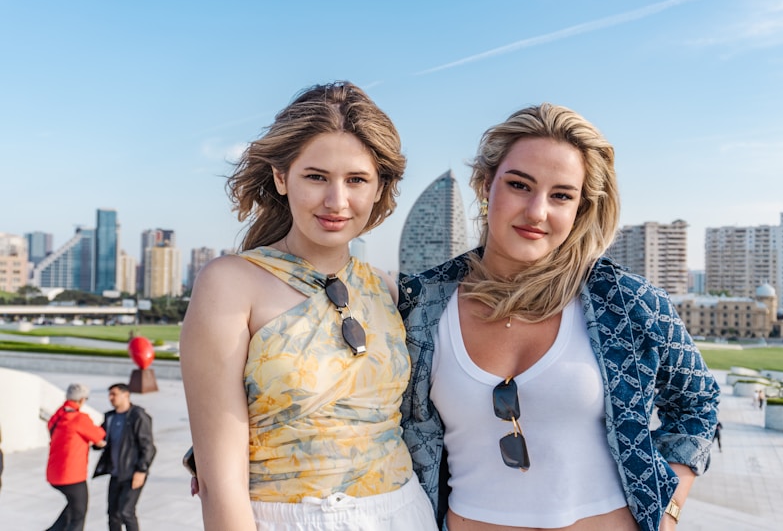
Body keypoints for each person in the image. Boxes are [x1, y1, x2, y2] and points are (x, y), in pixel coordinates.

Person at [398, 103, 721, 531]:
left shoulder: (627, 302)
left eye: (561, 195)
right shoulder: (420, 306)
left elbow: (697, 403)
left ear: (580, 208)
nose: (537, 212)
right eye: (519, 185)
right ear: (485, 183)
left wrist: (670, 505)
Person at [180, 81, 437, 530]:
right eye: (316, 177)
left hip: (404, 513)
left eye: (356, 180)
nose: (336, 201)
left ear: (380, 188)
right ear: (282, 178)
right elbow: (222, 486)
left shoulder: (390, 291)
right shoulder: (230, 284)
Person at [93, 383, 156, 531]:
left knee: (126, 512)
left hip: (133, 473)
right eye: (109, 395)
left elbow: (149, 447)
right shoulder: (110, 417)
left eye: (114, 394)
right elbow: (100, 439)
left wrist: (142, 470)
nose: (111, 398)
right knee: (112, 514)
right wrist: (97, 443)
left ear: (126, 395)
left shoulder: (138, 415)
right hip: (115, 474)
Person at [46, 383, 107, 531]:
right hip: (72, 476)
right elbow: (100, 437)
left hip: (54, 473)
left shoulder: (58, 415)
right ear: (82, 400)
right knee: (78, 516)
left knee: (72, 508)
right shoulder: (79, 419)